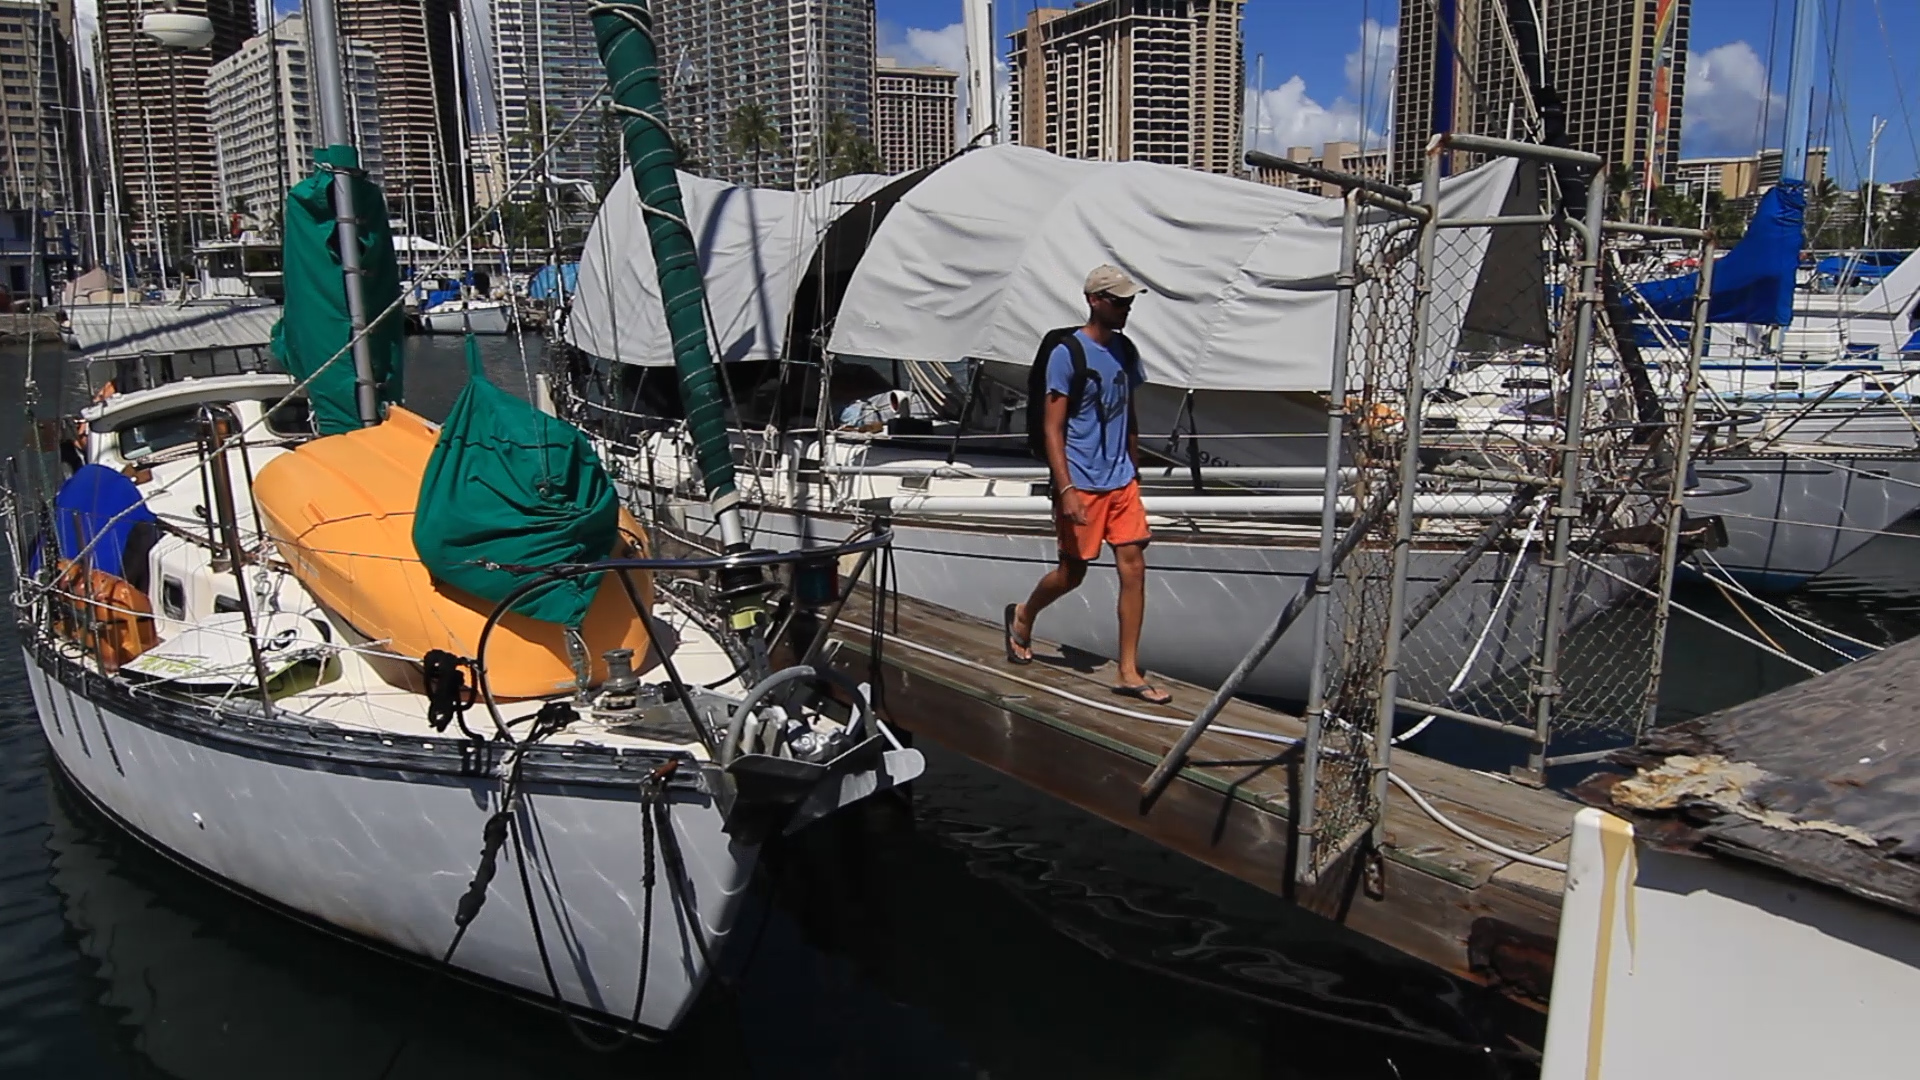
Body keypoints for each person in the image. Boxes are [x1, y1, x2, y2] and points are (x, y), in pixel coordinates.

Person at [1004, 264, 1169, 704]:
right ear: (1095, 301)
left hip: (1120, 481)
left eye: (1129, 302)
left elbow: (1128, 410)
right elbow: (1053, 428)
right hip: (1082, 481)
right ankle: (1023, 614)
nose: (1126, 308)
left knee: (1134, 566)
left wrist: (1134, 464)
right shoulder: (1067, 354)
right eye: (1119, 301)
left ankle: (1128, 670)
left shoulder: (1126, 350)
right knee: (1071, 573)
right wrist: (1067, 489)